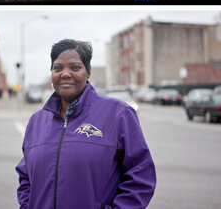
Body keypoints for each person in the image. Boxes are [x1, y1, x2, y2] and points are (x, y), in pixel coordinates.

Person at [16, 39, 156, 209]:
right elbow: (26, 177)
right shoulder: (36, 121)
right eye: (57, 68)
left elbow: (141, 174)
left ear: (88, 72)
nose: (65, 74)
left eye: (75, 67)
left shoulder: (118, 114)